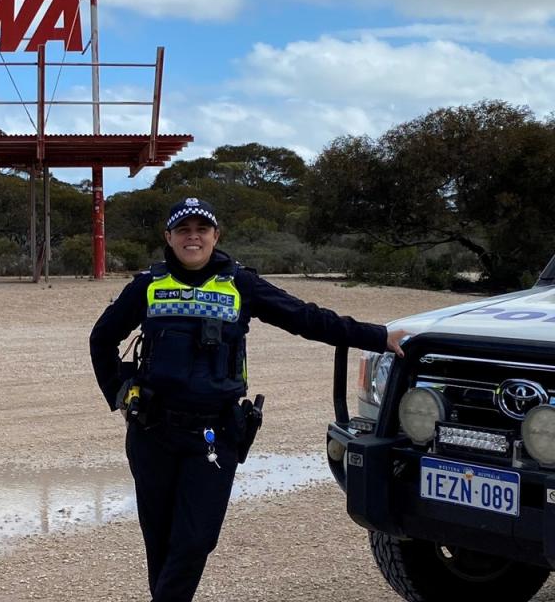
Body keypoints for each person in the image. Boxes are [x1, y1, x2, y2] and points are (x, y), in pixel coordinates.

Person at [89, 197, 407, 602]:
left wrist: (375, 336)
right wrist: (119, 393)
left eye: (201, 230)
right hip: (153, 433)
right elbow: (102, 338)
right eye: (183, 230)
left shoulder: (240, 283)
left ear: (215, 236)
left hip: (215, 433)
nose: (192, 237)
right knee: (161, 539)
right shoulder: (147, 285)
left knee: (194, 540)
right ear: (168, 237)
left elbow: (305, 318)